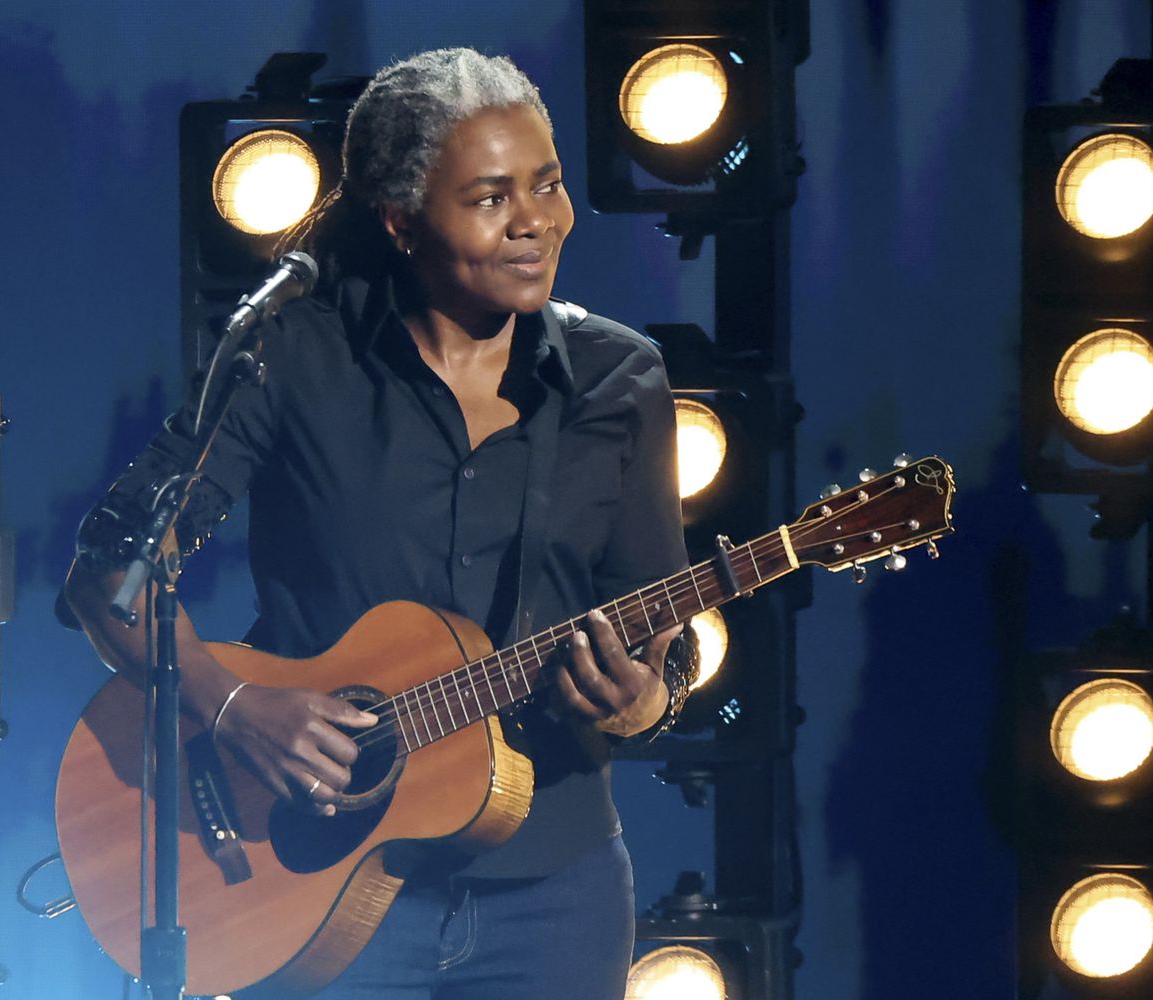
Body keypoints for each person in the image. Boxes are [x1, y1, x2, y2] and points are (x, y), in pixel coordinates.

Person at [64, 47, 697, 1000]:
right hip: (307, 883)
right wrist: (233, 708)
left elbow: (660, 636)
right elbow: (109, 573)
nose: (536, 222)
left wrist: (640, 700)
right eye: (490, 199)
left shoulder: (621, 381)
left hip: (555, 895)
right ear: (401, 221)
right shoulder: (291, 354)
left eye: (549, 185)